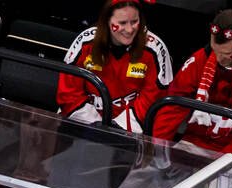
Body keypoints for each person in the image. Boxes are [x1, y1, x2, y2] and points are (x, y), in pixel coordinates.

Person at [150, 11, 232, 158]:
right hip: (194, 143)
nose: (219, 59)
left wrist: (222, 160)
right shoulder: (200, 59)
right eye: (216, 51)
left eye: (228, 54)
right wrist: (155, 147)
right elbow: (172, 108)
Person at [57, 1, 173, 134]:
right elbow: (68, 93)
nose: (129, 29)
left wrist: (117, 128)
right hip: (80, 125)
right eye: (122, 23)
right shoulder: (85, 43)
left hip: (130, 134)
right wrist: (94, 125)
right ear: (107, 21)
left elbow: (155, 98)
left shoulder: (155, 50)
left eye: (134, 21)